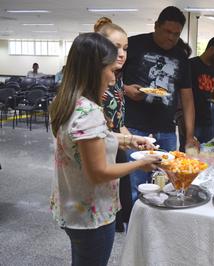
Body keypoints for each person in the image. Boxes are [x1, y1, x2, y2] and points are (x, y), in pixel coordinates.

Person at [49, 32, 160, 266]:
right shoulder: (88, 113)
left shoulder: (69, 101)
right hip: (92, 215)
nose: (112, 80)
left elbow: (97, 140)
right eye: (110, 71)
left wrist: (130, 140)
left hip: (73, 208)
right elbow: (98, 172)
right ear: (94, 71)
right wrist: (141, 163)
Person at [122, 6, 198, 203]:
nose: (171, 38)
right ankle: (136, 230)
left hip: (166, 131)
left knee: (167, 187)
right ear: (156, 26)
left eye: (176, 34)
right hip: (134, 129)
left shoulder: (181, 57)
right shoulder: (133, 45)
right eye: (167, 31)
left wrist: (189, 135)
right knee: (137, 188)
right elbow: (108, 78)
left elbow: (187, 98)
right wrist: (126, 89)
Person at [94, 17, 133, 232]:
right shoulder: (93, 85)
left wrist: (136, 141)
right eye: (116, 47)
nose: (122, 53)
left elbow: (118, 121)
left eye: (125, 48)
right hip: (102, 152)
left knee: (119, 204)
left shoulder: (115, 78)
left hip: (115, 146)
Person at [189, 36, 214, 144]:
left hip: (207, 120)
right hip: (191, 121)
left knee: (206, 155)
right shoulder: (191, 65)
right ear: (211, 49)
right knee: (188, 155)